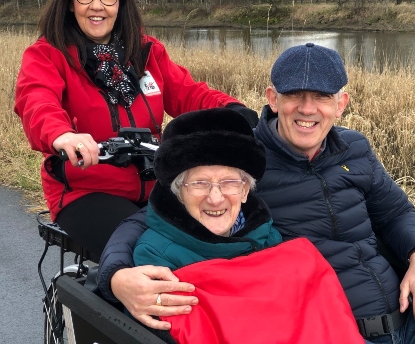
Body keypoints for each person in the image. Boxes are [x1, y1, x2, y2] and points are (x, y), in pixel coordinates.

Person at [97, 43, 415, 343]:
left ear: (341, 102)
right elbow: (148, 218)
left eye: (322, 96)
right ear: (272, 98)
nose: (308, 109)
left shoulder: (354, 147)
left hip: (414, 322)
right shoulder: (241, 162)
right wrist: (116, 276)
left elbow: (395, 212)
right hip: (330, 328)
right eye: (295, 95)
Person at [13, 0, 257, 258]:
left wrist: (232, 110)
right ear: (70, 1)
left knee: (219, 240)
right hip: (87, 191)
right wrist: (63, 135)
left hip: (156, 182)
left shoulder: (146, 51)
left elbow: (189, 93)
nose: (97, 5)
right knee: (149, 255)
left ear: (121, 2)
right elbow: (37, 101)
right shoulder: (48, 54)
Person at [130, 107, 363, 343]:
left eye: (229, 183)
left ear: (244, 191)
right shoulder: (154, 255)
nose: (215, 197)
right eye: (199, 183)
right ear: (179, 192)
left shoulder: (267, 236)